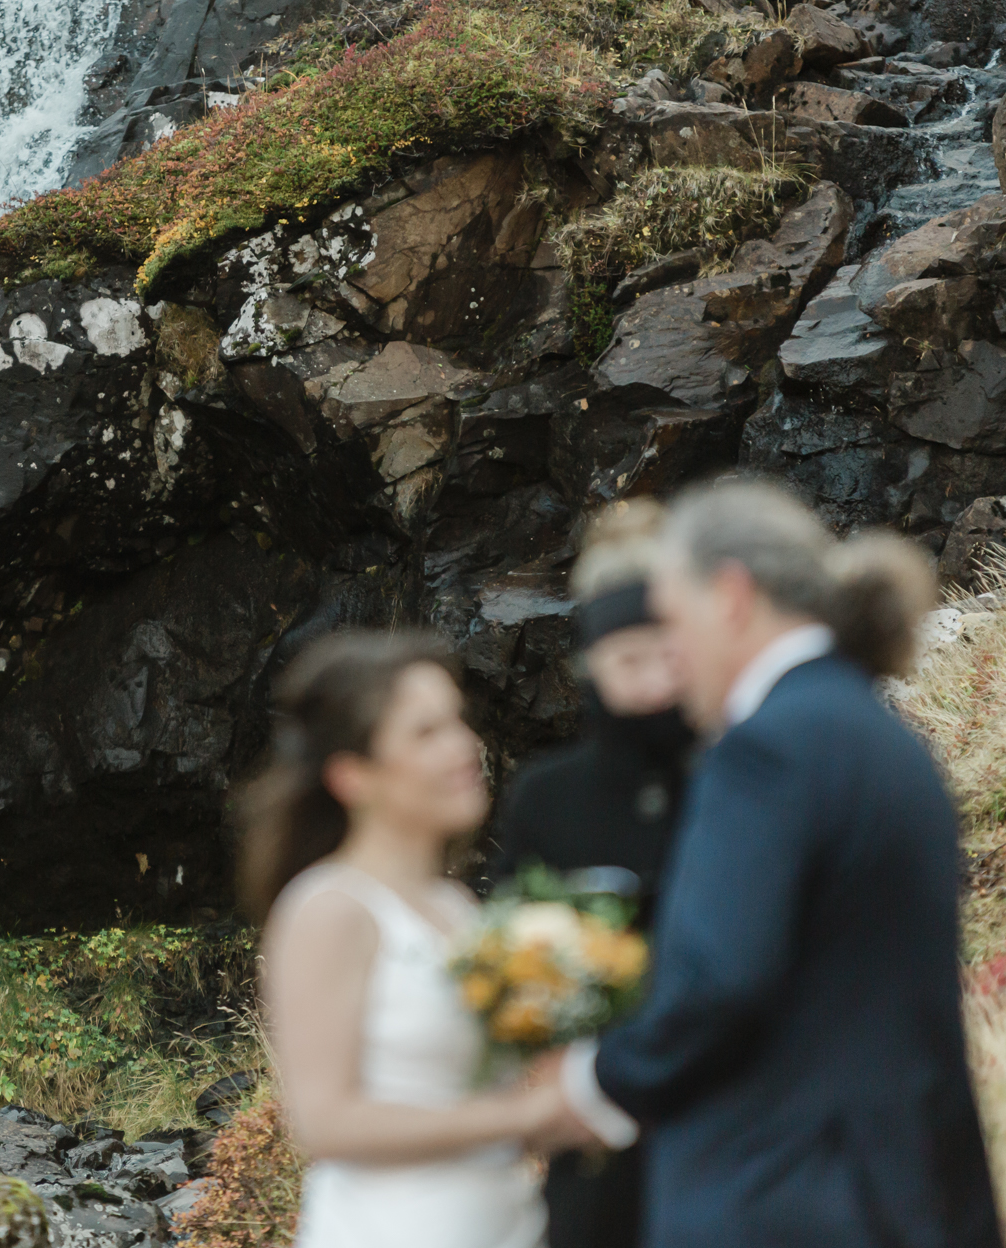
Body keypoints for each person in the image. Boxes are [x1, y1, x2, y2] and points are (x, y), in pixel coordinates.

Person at [554, 478, 1001, 1248]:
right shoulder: (880, 738)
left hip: (785, 1202)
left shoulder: (765, 750)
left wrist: (591, 1084)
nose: (671, 655)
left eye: (673, 617)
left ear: (729, 597)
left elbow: (720, 983)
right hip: (906, 1196)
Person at [244, 631, 565, 1248]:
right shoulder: (329, 909)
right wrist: (521, 1117)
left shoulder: (459, 907)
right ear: (353, 776)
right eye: (426, 733)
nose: (464, 746)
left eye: (457, 722)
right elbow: (325, 1122)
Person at [488, 498, 693, 1248]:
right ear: (590, 666)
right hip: (597, 1134)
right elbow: (511, 964)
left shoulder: (741, 770)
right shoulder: (550, 796)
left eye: (667, 657)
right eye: (627, 662)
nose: (652, 686)